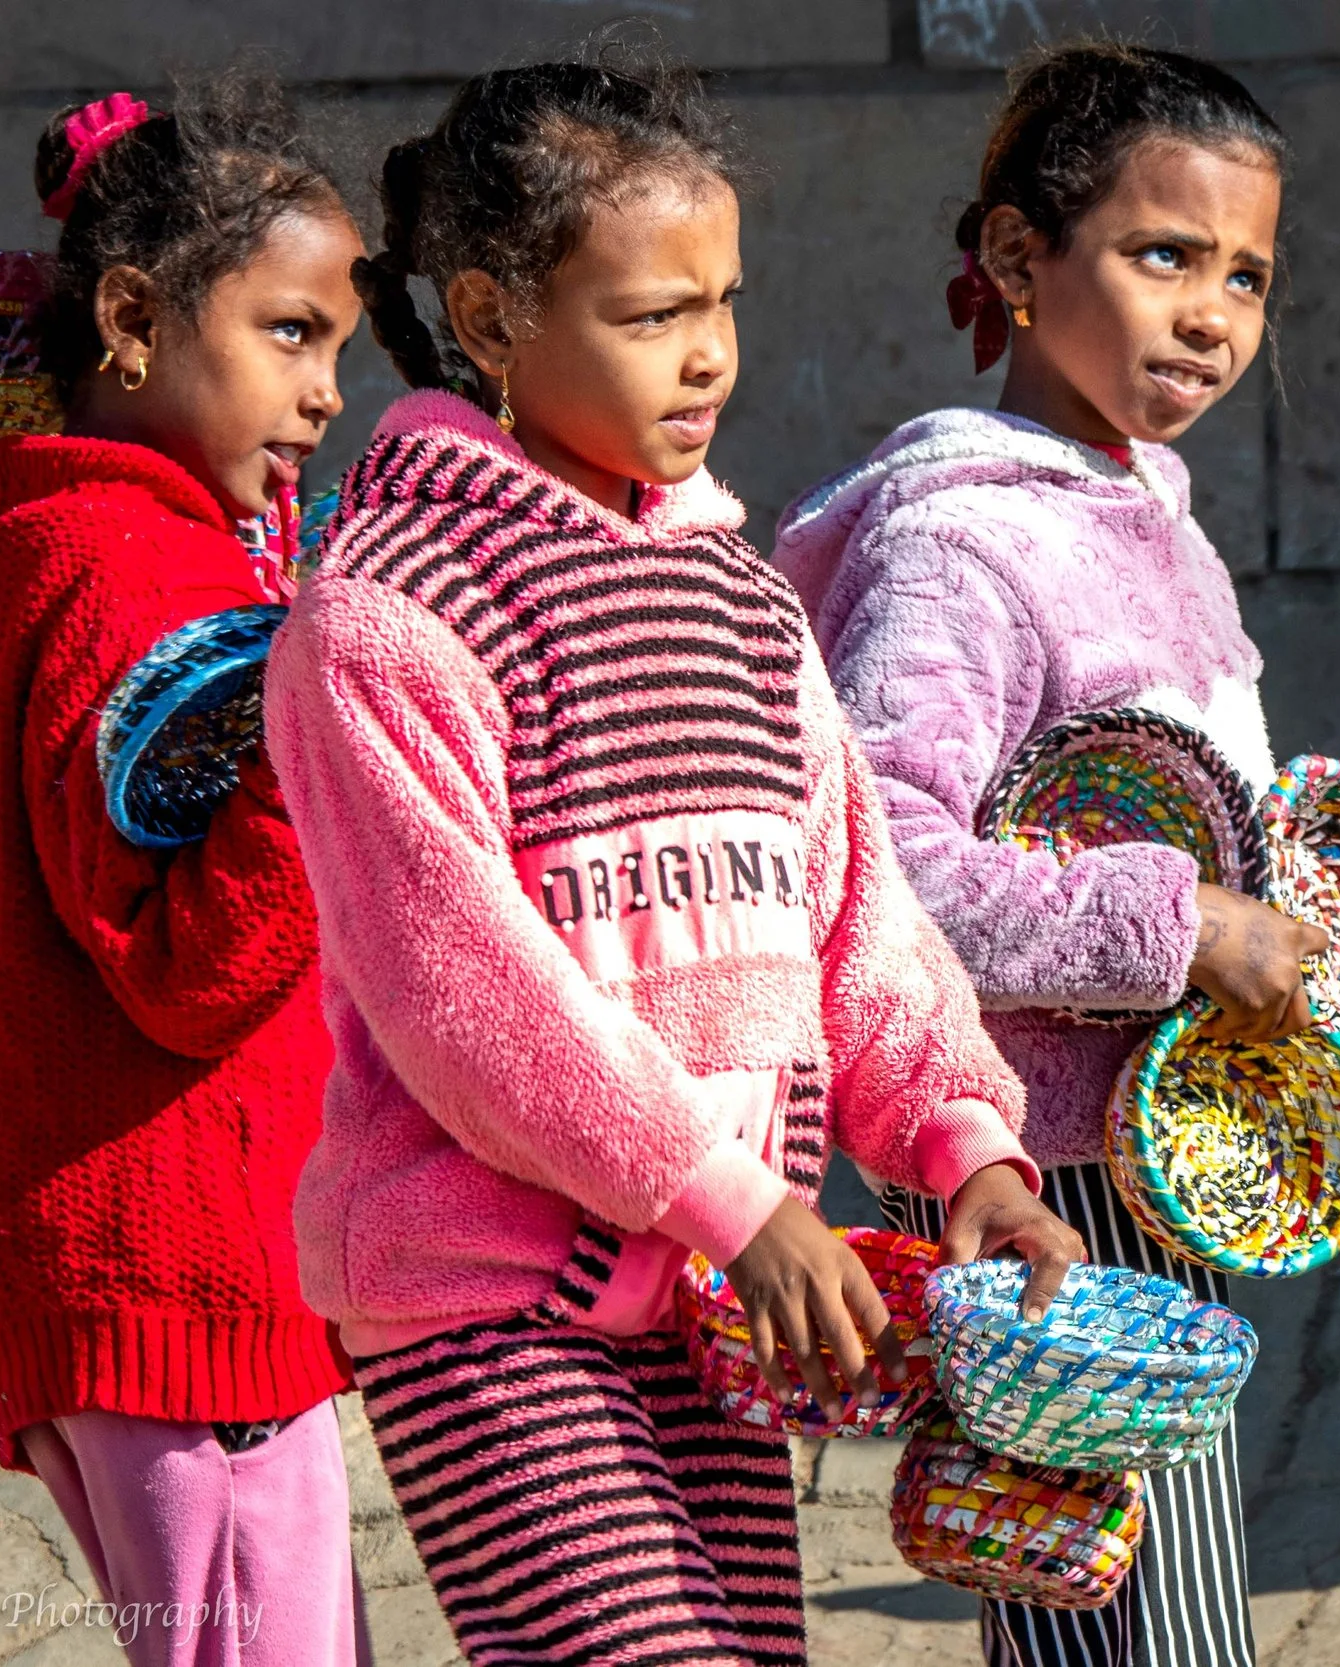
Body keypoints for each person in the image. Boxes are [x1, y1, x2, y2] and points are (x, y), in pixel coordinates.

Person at [262, 57, 1083, 1666]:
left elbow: (865, 927)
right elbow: (460, 990)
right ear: (493, 320)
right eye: (650, 314)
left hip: (721, 1300)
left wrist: (969, 1148)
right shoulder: (385, 613)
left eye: (724, 300)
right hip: (489, 1300)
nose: (708, 350)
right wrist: (730, 1199)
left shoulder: (744, 596)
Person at [774, 42, 1340, 1667]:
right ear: (1013, 260)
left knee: (1131, 1631)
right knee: (1136, 1637)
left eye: (1247, 273)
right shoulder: (959, 542)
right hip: (1041, 1192)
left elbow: (1253, 866)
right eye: (1162, 254)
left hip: (1165, 1179)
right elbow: (886, 865)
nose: (1212, 312)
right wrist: (1180, 925)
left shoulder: (1156, 521)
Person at [0, 74, 373, 1666]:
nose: (324, 398)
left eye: (340, 353)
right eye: (290, 334)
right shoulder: (147, 576)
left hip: (66, 1258)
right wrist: (323, 749)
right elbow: (193, 966)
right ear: (131, 317)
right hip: (185, 1274)